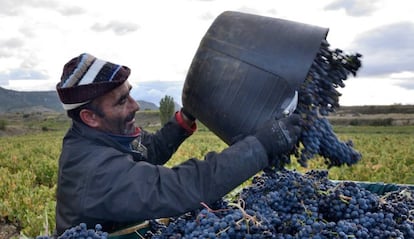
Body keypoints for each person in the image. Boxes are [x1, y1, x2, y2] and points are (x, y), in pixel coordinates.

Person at [54, 53, 302, 236]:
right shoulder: (92, 168)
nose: (135, 105)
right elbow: (180, 187)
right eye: (121, 101)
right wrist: (260, 146)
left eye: (130, 93)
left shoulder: (107, 137)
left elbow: (149, 150)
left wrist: (186, 117)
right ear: (90, 117)